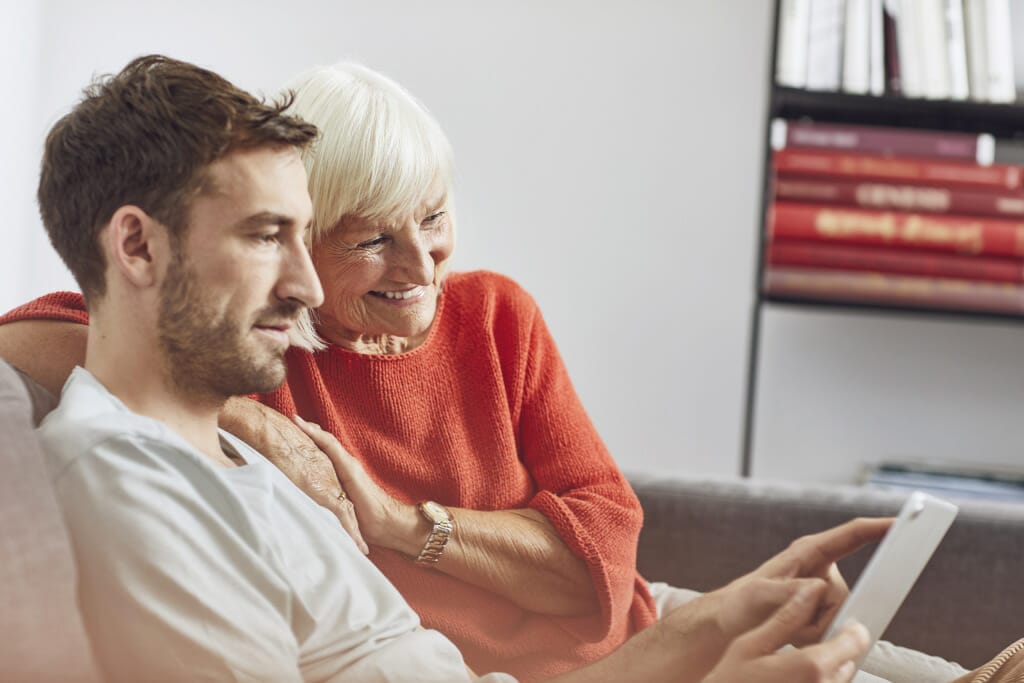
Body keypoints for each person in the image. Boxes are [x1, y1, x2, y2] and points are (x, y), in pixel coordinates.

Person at [0, 63, 970, 683]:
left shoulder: (277, 467)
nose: (421, 264)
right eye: (279, 237)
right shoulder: (198, 431)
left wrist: (708, 623)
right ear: (135, 248)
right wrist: (241, 412)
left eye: (431, 217)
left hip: (620, 628)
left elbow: (605, 539)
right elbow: (78, 334)